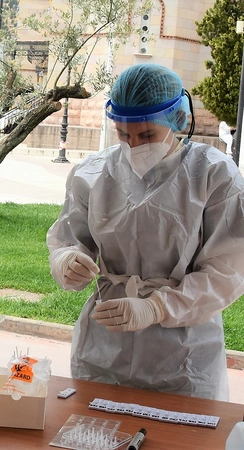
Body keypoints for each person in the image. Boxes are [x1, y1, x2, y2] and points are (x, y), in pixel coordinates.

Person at [46, 63, 244, 401]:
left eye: (147, 135)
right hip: (104, 348)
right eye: (124, 135)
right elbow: (68, 238)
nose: (134, 145)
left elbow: (228, 271)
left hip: (183, 355)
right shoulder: (92, 173)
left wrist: (157, 307)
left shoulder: (214, 176)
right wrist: (67, 259)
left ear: (179, 120)